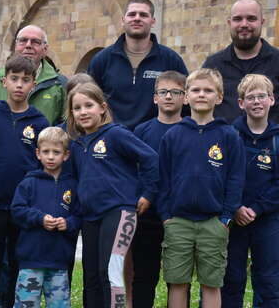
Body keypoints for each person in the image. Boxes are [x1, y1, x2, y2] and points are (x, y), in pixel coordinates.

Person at [158, 68, 245, 308]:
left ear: (218, 97)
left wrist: (226, 217)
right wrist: (166, 216)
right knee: (177, 283)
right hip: (178, 222)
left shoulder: (229, 136)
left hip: (213, 222)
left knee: (211, 284)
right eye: (196, 90)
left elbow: (236, 179)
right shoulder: (173, 135)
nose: (201, 95)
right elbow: (163, 179)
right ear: (186, 97)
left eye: (208, 90)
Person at [66, 82, 158, 308]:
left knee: (111, 272)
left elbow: (150, 159)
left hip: (119, 212)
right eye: (77, 108)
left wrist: (148, 193)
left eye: (89, 105)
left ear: (102, 108)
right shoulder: (77, 144)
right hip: (90, 216)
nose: (83, 111)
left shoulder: (116, 134)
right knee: (92, 275)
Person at [0, 55, 50, 308]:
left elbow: (44, 165)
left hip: (24, 207)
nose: (20, 85)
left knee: (20, 262)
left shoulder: (40, 122)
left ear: (34, 84)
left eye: (26, 80)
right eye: (15, 79)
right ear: (4, 81)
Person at [88, 0, 188, 130]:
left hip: (155, 141)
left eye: (143, 15)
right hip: (112, 141)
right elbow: (89, 100)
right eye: (132, 14)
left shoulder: (171, 60)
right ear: (123, 20)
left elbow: (187, 105)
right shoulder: (102, 60)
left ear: (153, 21)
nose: (137, 18)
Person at [222, 74, 279, 307]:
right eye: (250, 97)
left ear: (272, 100)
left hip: (268, 220)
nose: (257, 101)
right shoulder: (229, 135)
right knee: (231, 278)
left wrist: (256, 208)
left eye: (261, 96)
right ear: (241, 103)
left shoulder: (276, 139)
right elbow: (221, 175)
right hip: (234, 220)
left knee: (269, 280)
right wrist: (235, 207)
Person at [132, 70, 186, 307]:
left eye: (175, 92)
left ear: (185, 97)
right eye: (163, 92)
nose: (168, 97)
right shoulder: (142, 131)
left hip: (181, 215)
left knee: (178, 279)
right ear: (154, 98)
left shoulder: (191, 129)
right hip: (148, 214)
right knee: (144, 276)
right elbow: (135, 170)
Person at [11, 127, 80, 308]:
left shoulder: (72, 186)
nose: (50, 157)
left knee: (59, 305)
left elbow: (80, 215)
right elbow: (17, 210)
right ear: (38, 154)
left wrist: (68, 223)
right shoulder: (29, 183)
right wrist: (39, 219)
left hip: (59, 261)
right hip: (31, 260)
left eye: (56, 152)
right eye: (46, 152)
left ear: (65, 155)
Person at [203, 0, 279, 123]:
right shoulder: (213, 65)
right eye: (237, 19)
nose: (244, 24)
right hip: (224, 141)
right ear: (229, 23)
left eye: (251, 18)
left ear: (262, 22)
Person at [0, 25, 67, 125]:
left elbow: (67, 126)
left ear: (45, 49)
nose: (28, 45)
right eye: (23, 40)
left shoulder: (60, 84)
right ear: (15, 46)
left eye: (35, 42)